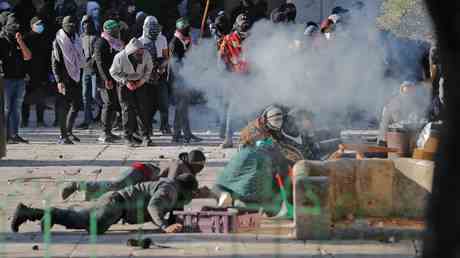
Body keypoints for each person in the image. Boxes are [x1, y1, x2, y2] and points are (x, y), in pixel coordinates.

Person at [11, 173, 198, 235]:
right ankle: (51, 213)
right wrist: (165, 226)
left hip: (115, 203)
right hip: (116, 205)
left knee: (86, 221)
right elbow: (153, 207)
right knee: (87, 223)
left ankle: (28, 212)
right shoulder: (170, 190)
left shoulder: (170, 186)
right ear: (185, 190)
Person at [61, 149, 207, 200]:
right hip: (141, 172)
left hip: (144, 178)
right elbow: (169, 184)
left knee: (120, 192)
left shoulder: (185, 168)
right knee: (117, 185)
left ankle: (92, 193)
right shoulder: (179, 165)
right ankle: (76, 185)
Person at [109, 38, 154, 147]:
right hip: (124, 83)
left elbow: (149, 69)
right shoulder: (120, 57)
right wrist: (125, 81)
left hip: (140, 82)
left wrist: (141, 82)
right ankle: (127, 137)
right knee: (127, 110)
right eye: (137, 54)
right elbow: (113, 72)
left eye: (141, 53)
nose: (140, 56)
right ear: (131, 52)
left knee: (143, 109)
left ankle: (145, 136)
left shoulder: (146, 55)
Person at [218, 13, 251, 148]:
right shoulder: (227, 39)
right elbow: (221, 58)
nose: (245, 28)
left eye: (246, 25)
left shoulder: (253, 39)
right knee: (232, 109)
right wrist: (227, 74)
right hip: (235, 78)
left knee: (250, 110)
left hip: (250, 78)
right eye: (242, 25)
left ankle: (249, 139)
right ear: (236, 26)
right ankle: (228, 139)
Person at [51, 15, 84, 144]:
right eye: (69, 25)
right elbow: (54, 62)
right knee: (63, 107)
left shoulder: (76, 38)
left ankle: (69, 131)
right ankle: (62, 135)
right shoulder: (58, 41)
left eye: (73, 25)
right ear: (64, 25)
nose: (72, 27)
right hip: (64, 78)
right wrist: (59, 80)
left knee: (76, 105)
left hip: (75, 76)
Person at [169, 17, 202, 143]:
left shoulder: (186, 40)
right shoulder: (174, 43)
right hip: (178, 80)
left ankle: (179, 134)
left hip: (186, 77)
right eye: (186, 29)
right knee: (181, 107)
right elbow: (175, 64)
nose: (188, 30)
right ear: (180, 30)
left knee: (182, 107)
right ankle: (183, 134)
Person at [0, 14, 32, 144]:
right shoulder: (1, 40)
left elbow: (28, 56)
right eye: (13, 25)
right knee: (6, 109)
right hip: (6, 80)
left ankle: (15, 134)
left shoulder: (20, 38)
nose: (16, 28)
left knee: (16, 108)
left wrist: (20, 42)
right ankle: (5, 136)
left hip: (19, 80)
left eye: (17, 25)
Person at [139, 16, 172, 136]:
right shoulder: (140, 42)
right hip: (147, 77)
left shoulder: (162, 39)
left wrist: (162, 66)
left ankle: (165, 126)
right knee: (149, 105)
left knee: (164, 103)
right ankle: (148, 129)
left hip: (161, 75)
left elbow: (166, 56)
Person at [95, 20, 124, 143]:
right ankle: (104, 133)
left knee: (113, 104)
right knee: (108, 104)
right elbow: (100, 63)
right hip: (105, 79)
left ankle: (109, 131)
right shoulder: (101, 43)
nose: (116, 32)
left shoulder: (114, 43)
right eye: (114, 30)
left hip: (114, 78)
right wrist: (106, 79)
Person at [22, 17, 51, 128]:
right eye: (38, 24)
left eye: (41, 24)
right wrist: (24, 72)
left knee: (40, 98)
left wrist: (47, 72)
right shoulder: (26, 38)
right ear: (32, 25)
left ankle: (40, 120)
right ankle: (24, 120)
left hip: (41, 73)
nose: (40, 26)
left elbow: (47, 57)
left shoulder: (44, 38)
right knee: (26, 99)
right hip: (28, 73)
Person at [78, 15, 99, 130]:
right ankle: (87, 119)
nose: (86, 25)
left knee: (96, 96)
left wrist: (92, 60)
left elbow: (97, 52)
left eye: (88, 23)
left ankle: (102, 116)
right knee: (85, 96)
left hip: (95, 70)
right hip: (85, 70)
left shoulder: (96, 37)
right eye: (84, 23)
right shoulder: (81, 37)